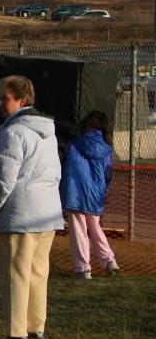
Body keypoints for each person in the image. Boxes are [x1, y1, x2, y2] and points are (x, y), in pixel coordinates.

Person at [0, 75, 62, 339]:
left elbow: (4, 179)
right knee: (38, 273)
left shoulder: (12, 133)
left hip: (20, 214)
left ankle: (17, 333)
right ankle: (36, 330)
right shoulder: (49, 133)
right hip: (47, 213)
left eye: (4, 98)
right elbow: (55, 173)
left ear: (21, 101)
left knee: (15, 275)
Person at [61, 110, 119, 279]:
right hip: (94, 194)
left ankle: (83, 269)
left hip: (74, 192)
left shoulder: (73, 145)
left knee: (79, 229)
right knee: (95, 227)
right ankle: (109, 260)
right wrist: (104, 191)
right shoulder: (106, 150)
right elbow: (107, 174)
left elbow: (65, 166)